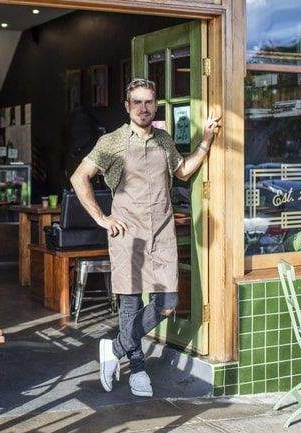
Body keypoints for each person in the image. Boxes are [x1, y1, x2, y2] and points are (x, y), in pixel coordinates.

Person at [69, 78, 221, 397]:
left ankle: (115, 348)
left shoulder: (164, 140)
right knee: (130, 299)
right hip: (129, 233)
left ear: (155, 105)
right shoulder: (112, 142)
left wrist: (206, 141)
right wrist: (102, 217)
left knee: (167, 302)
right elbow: (79, 177)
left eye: (148, 102)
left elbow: (182, 172)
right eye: (136, 102)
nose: (143, 107)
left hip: (162, 232)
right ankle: (137, 368)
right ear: (127, 106)